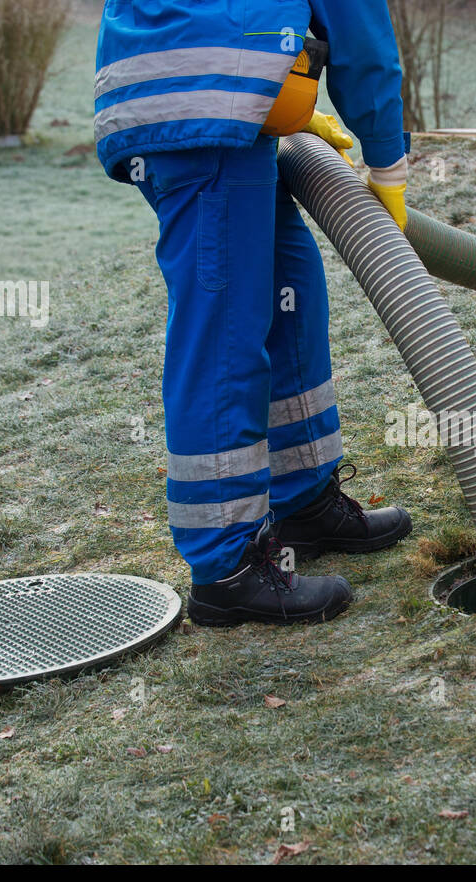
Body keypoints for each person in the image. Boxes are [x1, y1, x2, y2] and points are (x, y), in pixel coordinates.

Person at [93, 1, 413, 626]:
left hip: (198, 93)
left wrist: (275, 97)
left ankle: (303, 503)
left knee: (289, 292)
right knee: (225, 337)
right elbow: (360, 29)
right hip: (207, 110)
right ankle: (227, 567)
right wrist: (387, 160)